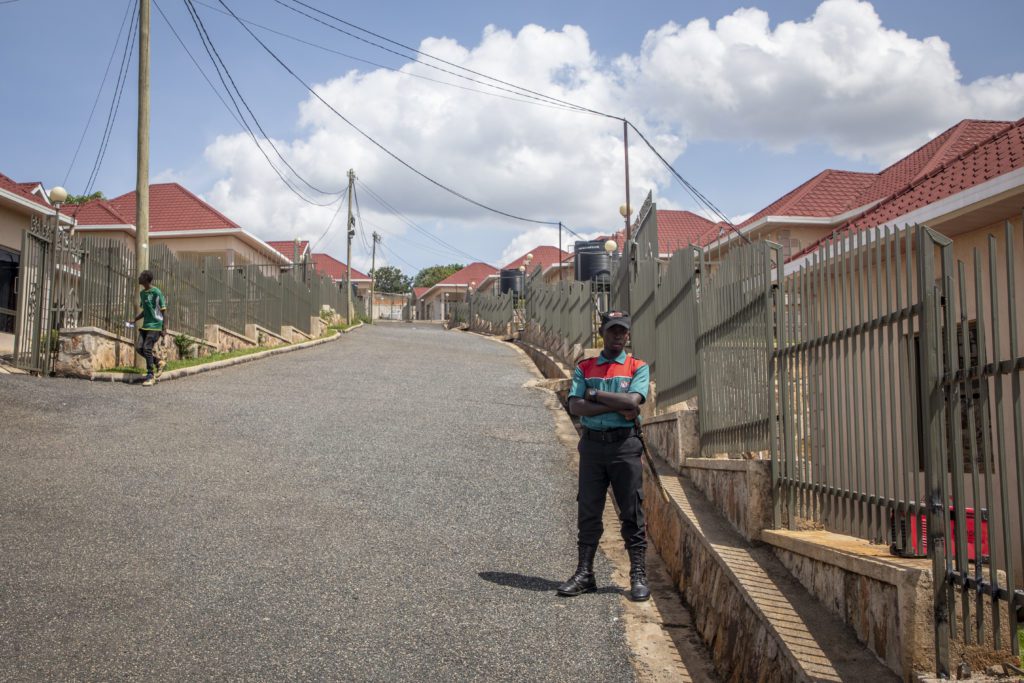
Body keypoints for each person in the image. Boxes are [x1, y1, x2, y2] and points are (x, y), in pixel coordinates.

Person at [558, 310, 651, 601]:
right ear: (603, 333)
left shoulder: (638, 366)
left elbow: (633, 402)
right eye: (613, 331)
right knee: (588, 510)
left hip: (625, 447)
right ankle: (585, 573)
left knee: (631, 511)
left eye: (623, 331)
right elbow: (575, 406)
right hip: (593, 447)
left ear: (628, 334)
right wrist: (615, 404)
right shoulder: (585, 367)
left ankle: (637, 575)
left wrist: (595, 395)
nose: (618, 336)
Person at [133, 270, 167, 387]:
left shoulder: (156, 292)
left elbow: (163, 310)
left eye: (141, 276)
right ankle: (158, 362)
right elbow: (145, 311)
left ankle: (150, 376)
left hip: (156, 326)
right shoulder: (142, 293)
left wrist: (164, 328)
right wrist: (135, 319)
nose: (139, 277)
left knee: (147, 348)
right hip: (145, 326)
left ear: (146, 279)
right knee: (139, 348)